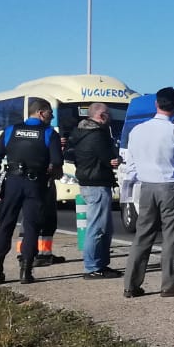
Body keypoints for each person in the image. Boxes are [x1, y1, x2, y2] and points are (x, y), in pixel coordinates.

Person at [121, 86, 174, 298]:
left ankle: (131, 284)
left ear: (156, 104)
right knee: (171, 235)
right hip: (169, 186)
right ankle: (169, 282)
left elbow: (131, 162)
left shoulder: (137, 130)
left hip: (146, 186)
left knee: (143, 235)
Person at [0, 98, 64, 286]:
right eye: (49, 113)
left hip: (12, 182)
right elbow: (57, 163)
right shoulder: (48, 133)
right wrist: (50, 177)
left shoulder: (10, 130)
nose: (52, 117)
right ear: (40, 113)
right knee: (31, 226)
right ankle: (26, 272)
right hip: (35, 184)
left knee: (5, 225)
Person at [70, 101, 122, 278]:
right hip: (97, 183)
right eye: (109, 113)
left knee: (102, 227)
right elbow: (108, 158)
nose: (111, 117)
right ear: (101, 116)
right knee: (98, 228)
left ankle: (100, 264)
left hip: (87, 181)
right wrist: (115, 159)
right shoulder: (97, 135)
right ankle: (92, 267)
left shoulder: (79, 133)